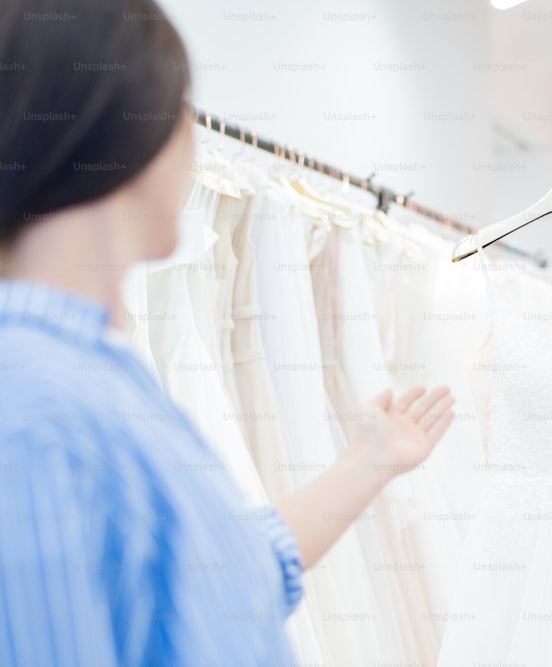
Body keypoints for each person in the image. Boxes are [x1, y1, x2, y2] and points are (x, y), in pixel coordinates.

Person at [0, 0, 454, 664]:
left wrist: (369, 459)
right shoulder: (41, 411)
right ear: (118, 127)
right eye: (180, 105)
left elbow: (216, 587)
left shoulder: (88, 377)